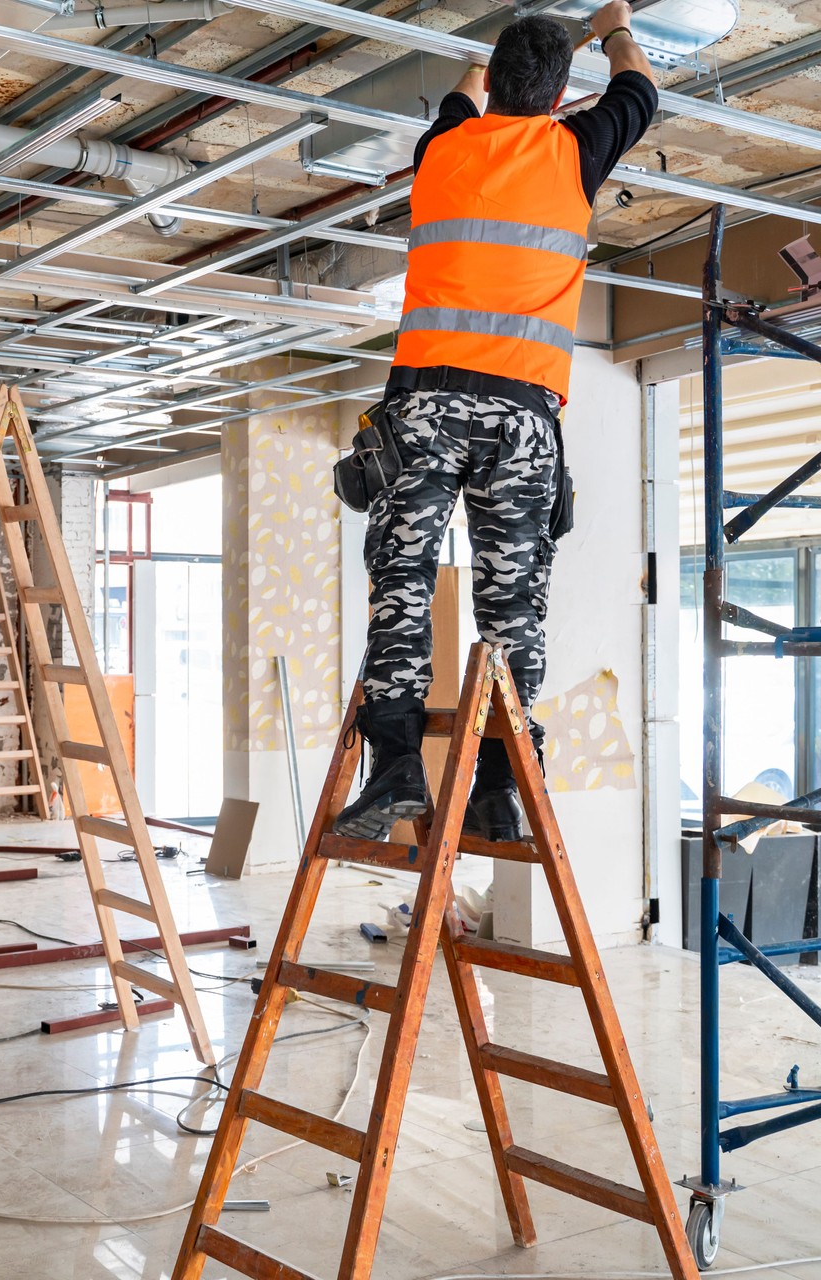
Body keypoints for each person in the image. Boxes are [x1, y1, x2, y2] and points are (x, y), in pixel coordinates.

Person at [335, 2, 657, 841]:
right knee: (512, 607)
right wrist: (610, 28)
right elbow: (640, 91)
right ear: (558, 99)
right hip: (521, 418)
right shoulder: (575, 150)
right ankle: (498, 782)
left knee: (402, 581)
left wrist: (523, 49)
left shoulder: (442, 147)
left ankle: (398, 766)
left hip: (426, 409)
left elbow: (468, 86)